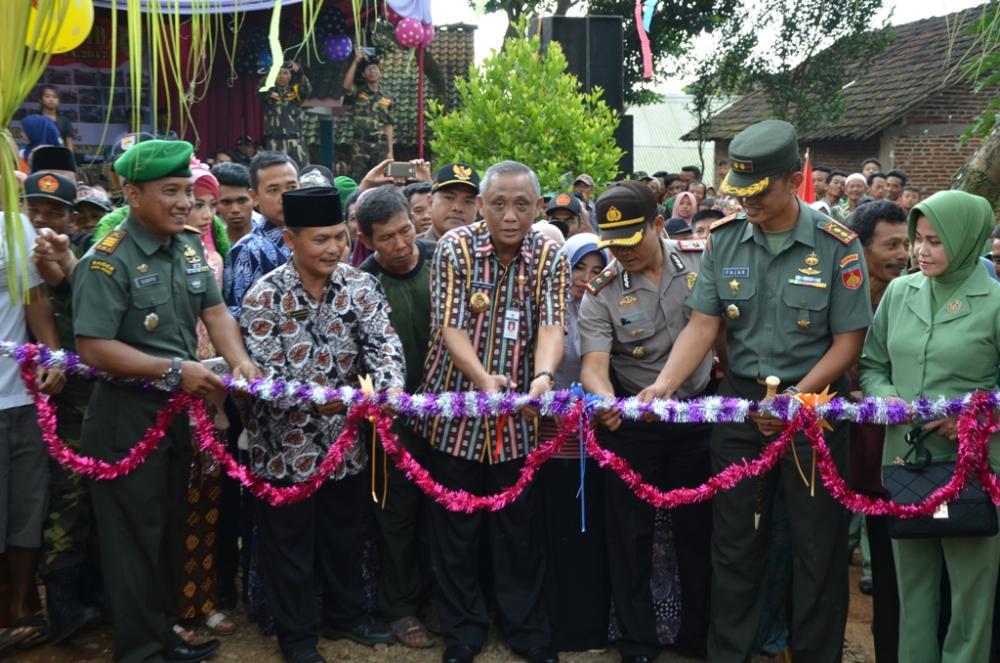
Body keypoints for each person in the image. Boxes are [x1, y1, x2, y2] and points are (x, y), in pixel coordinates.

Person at [646, 119, 873, 662]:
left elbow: (848, 343)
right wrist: (663, 385)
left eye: (758, 192)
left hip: (813, 411)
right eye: (738, 192)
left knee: (816, 549)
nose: (746, 202)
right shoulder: (724, 240)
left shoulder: (837, 246)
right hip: (742, 410)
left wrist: (796, 399)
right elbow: (703, 327)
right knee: (734, 546)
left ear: (793, 180)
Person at [72, 139, 261, 663]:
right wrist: (175, 370)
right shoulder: (107, 261)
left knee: (170, 530)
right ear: (131, 194)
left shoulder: (185, 246)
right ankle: (141, 649)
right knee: (134, 538)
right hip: (126, 417)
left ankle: (162, 631)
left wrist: (239, 360)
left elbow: (216, 311)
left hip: (179, 413)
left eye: (187, 191)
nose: (184, 203)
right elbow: (92, 347)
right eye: (170, 191)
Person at [239, 187, 402, 663]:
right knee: (289, 549)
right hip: (285, 448)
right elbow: (266, 372)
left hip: (347, 444)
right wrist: (318, 399)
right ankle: (297, 638)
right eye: (320, 240)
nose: (334, 249)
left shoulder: (360, 285)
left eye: (340, 237)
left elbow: (385, 346)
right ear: (290, 239)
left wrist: (388, 389)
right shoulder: (264, 295)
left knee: (345, 537)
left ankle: (347, 617)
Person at [414, 160, 566, 663]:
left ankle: (526, 631)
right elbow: (449, 327)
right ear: (481, 205)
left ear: (539, 207)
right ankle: (463, 632)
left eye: (522, 204)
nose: (509, 215)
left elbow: (551, 324)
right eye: (498, 203)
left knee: (517, 529)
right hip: (455, 413)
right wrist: (482, 381)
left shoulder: (550, 251)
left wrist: (543, 377)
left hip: (519, 419)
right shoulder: (455, 248)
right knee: (455, 530)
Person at [859, 190, 1000, 663]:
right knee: (912, 588)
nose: (921, 252)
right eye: (918, 240)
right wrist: (886, 397)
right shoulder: (901, 292)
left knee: (970, 596)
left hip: (976, 464)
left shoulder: (995, 300)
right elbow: (872, 364)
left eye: (936, 241)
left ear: (965, 241)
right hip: (907, 461)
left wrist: (972, 415)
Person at [579, 181, 713, 662]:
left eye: (631, 239)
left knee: (699, 532)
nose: (621, 252)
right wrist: (606, 399)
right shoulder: (601, 292)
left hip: (698, 413)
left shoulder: (702, 259)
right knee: (628, 535)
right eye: (611, 242)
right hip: (633, 423)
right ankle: (636, 642)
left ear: (659, 225)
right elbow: (594, 364)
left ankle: (698, 636)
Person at [356, 186, 436, 649]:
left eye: (407, 230)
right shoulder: (361, 284)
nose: (402, 244)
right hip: (390, 425)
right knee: (397, 516)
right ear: (366, 239)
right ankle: (401, 608)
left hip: (450, 415)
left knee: (446, 510)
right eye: (387, 238)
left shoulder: (442, 261)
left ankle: (441, 598)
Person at [538, 232, 610, 652]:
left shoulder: (607, 309)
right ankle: (556, 628)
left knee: (592, 538)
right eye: (577, 268)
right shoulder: (548, 313)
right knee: (556, 534)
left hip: (601, 442)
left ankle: (591, 629)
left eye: (596, 270)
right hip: (551, 443)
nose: (586, 278)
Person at [844, 200, 908, 662]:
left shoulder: (915, 297)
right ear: (861, 249)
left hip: (900, 462)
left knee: (897, 573)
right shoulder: (838, 295)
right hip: (838, 455)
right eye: (892, 245)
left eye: (907, 244)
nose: (903, 254)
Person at [223, 151, 299, 320]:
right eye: (273, 190)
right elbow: (241, 316)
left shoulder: (313, 239)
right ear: (254, 197)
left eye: (292, 187)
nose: (284, 197)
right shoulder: (248, 250)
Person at [342, 50, 393, 180]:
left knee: (380, 180)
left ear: (380, 73)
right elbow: (346, 86)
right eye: (368, 70)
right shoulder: (358, 92)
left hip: (379, 146)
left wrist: (390, 151)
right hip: (360, 144)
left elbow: (389, 125)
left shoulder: (387, 98)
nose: (372, 72)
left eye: (374, 69)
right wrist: (355, 61)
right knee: (358, 180)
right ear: (364, 74)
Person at [260, 62, 311, 167]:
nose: (281, 76)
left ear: (290, 75)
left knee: (300, 171)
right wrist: (271, 71)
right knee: (275, 171)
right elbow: (260, 89)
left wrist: (300, 73)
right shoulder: (269, 92)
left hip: (295, 142)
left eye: (285, 73)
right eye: (278, 73)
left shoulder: (295, 91)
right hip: (275, 142)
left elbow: (306, 89)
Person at [418, 163, 480, 243]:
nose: (458, 208)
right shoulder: (411, 250)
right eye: (449, 198)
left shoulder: (490, 251)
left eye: (468, 201)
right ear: (430, 202)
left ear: (478, 208)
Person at [213, 161, 257, 245]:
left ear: (254, 198)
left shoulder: (273, 240)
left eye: (242, 201)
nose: (235, 210)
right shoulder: (209, 247)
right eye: (226, 202)